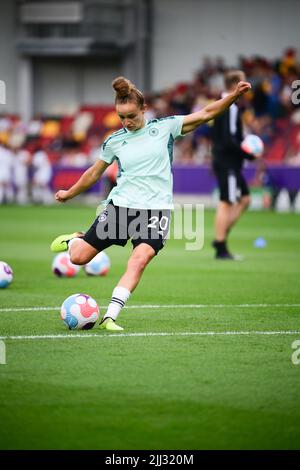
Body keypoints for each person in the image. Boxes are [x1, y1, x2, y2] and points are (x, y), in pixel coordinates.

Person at [50, 76, 251, 330]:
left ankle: (110, 315)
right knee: (79, 258)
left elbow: (205, 114)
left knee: (140, 259)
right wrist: (70, 192)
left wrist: (233, 96)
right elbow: (94, 172)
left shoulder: (165, 128)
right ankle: (76, 240)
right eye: (121, 117)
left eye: (131, 115)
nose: (127, 122)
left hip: (156, 212)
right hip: (121, 208)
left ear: (144, 109)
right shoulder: (114, 141)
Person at [211, 70, 256, 259]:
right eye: (244, 82)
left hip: (228, 162)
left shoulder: (225, 103)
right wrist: (246, 152)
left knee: (245, 199)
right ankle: (221, 247)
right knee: (226, 202)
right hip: (227, 162)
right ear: (236, 84)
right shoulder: (230, 105)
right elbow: (229, 139)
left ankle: (220, 237)